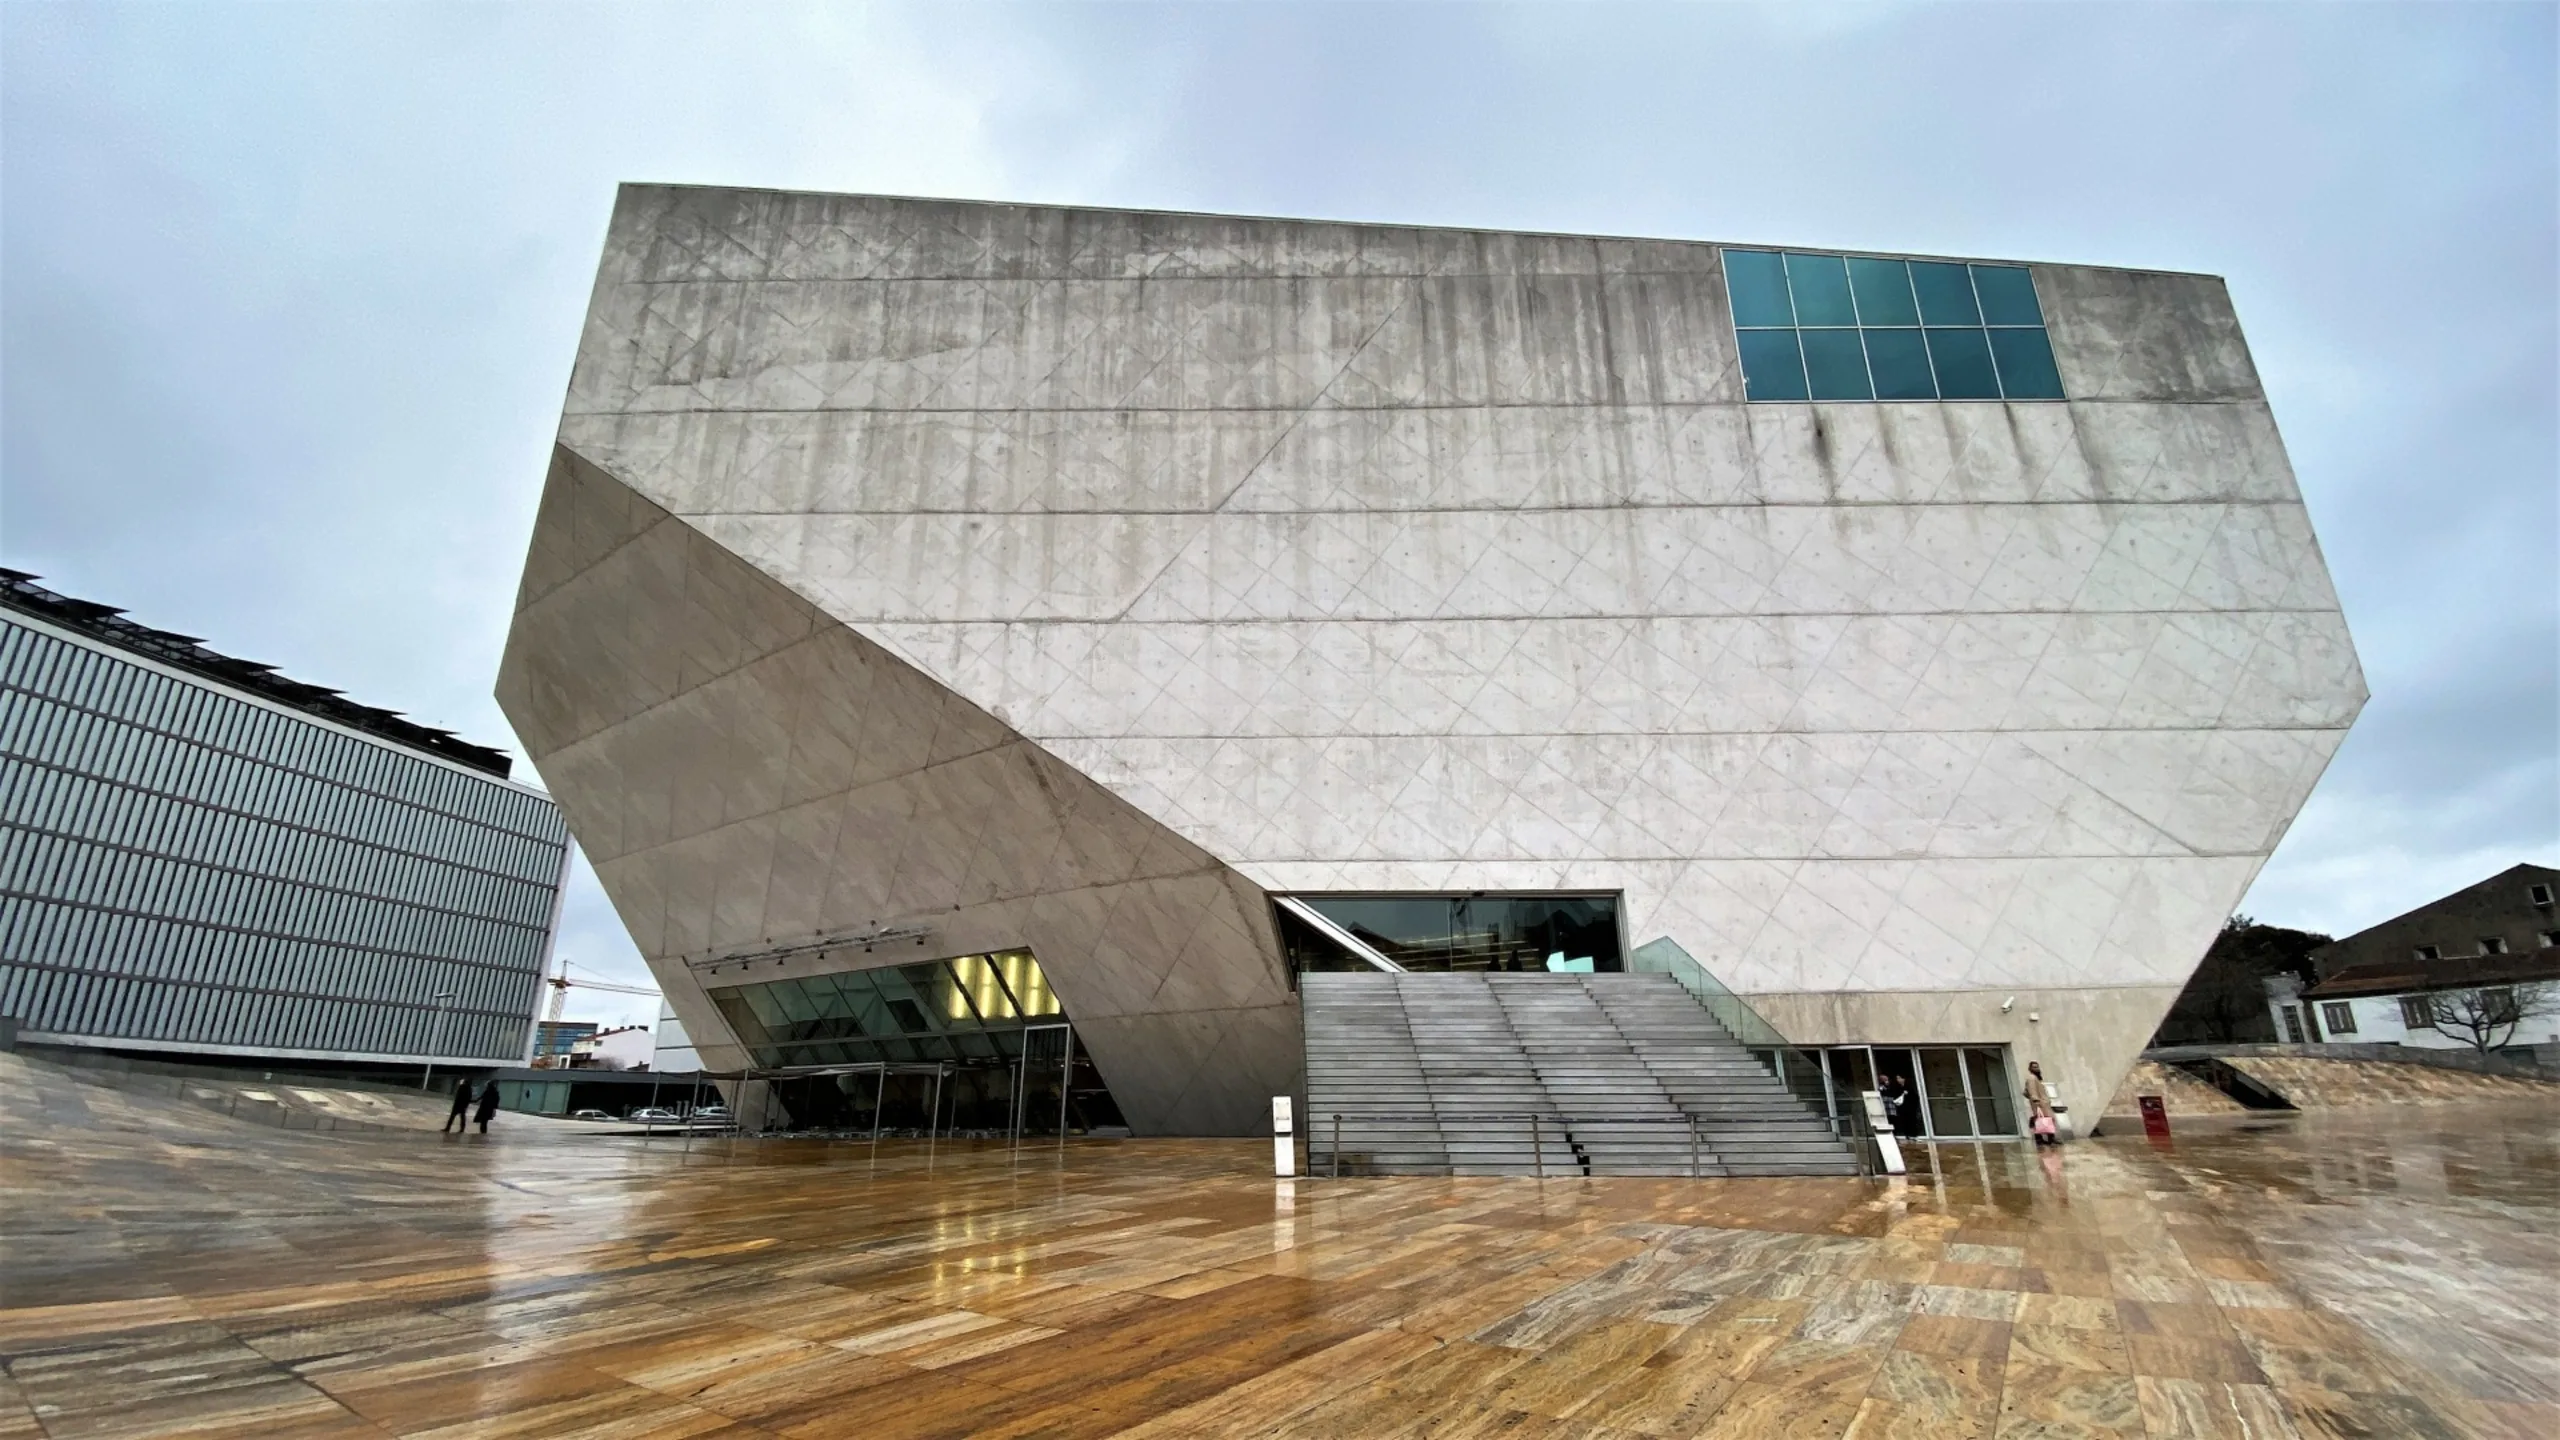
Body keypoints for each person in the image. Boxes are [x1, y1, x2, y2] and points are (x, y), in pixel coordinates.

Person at [2024, 1062, 2060, 1146]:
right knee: (2046, 1120)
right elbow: (2031, 1090)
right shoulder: (2032, 1078)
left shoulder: (2036, 1078)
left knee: (2041, 1120)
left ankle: (2042, 1139)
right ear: (2030, 1069)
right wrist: (2036, 1100)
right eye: (2034, 1067)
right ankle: (2049, 1139)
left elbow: (2026, 1092)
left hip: (2042, 1103)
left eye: (2037, 1067)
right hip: (2040, 1103)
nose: (2036, 1069)